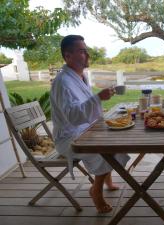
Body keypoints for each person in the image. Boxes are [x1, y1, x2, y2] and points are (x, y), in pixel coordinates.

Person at [50, 35, 130, 213]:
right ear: (67, 55)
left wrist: (99, 99)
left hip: (84, 129)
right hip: (69, 137)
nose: (87, 54)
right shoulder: (62, 82)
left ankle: (107, 180)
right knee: (103, 148)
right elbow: (72, 116)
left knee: (116, 137)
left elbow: (84, 105)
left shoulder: (80, 77)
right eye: (82, 51)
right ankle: (96, 190)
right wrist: (98, 98)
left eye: (86, 50)